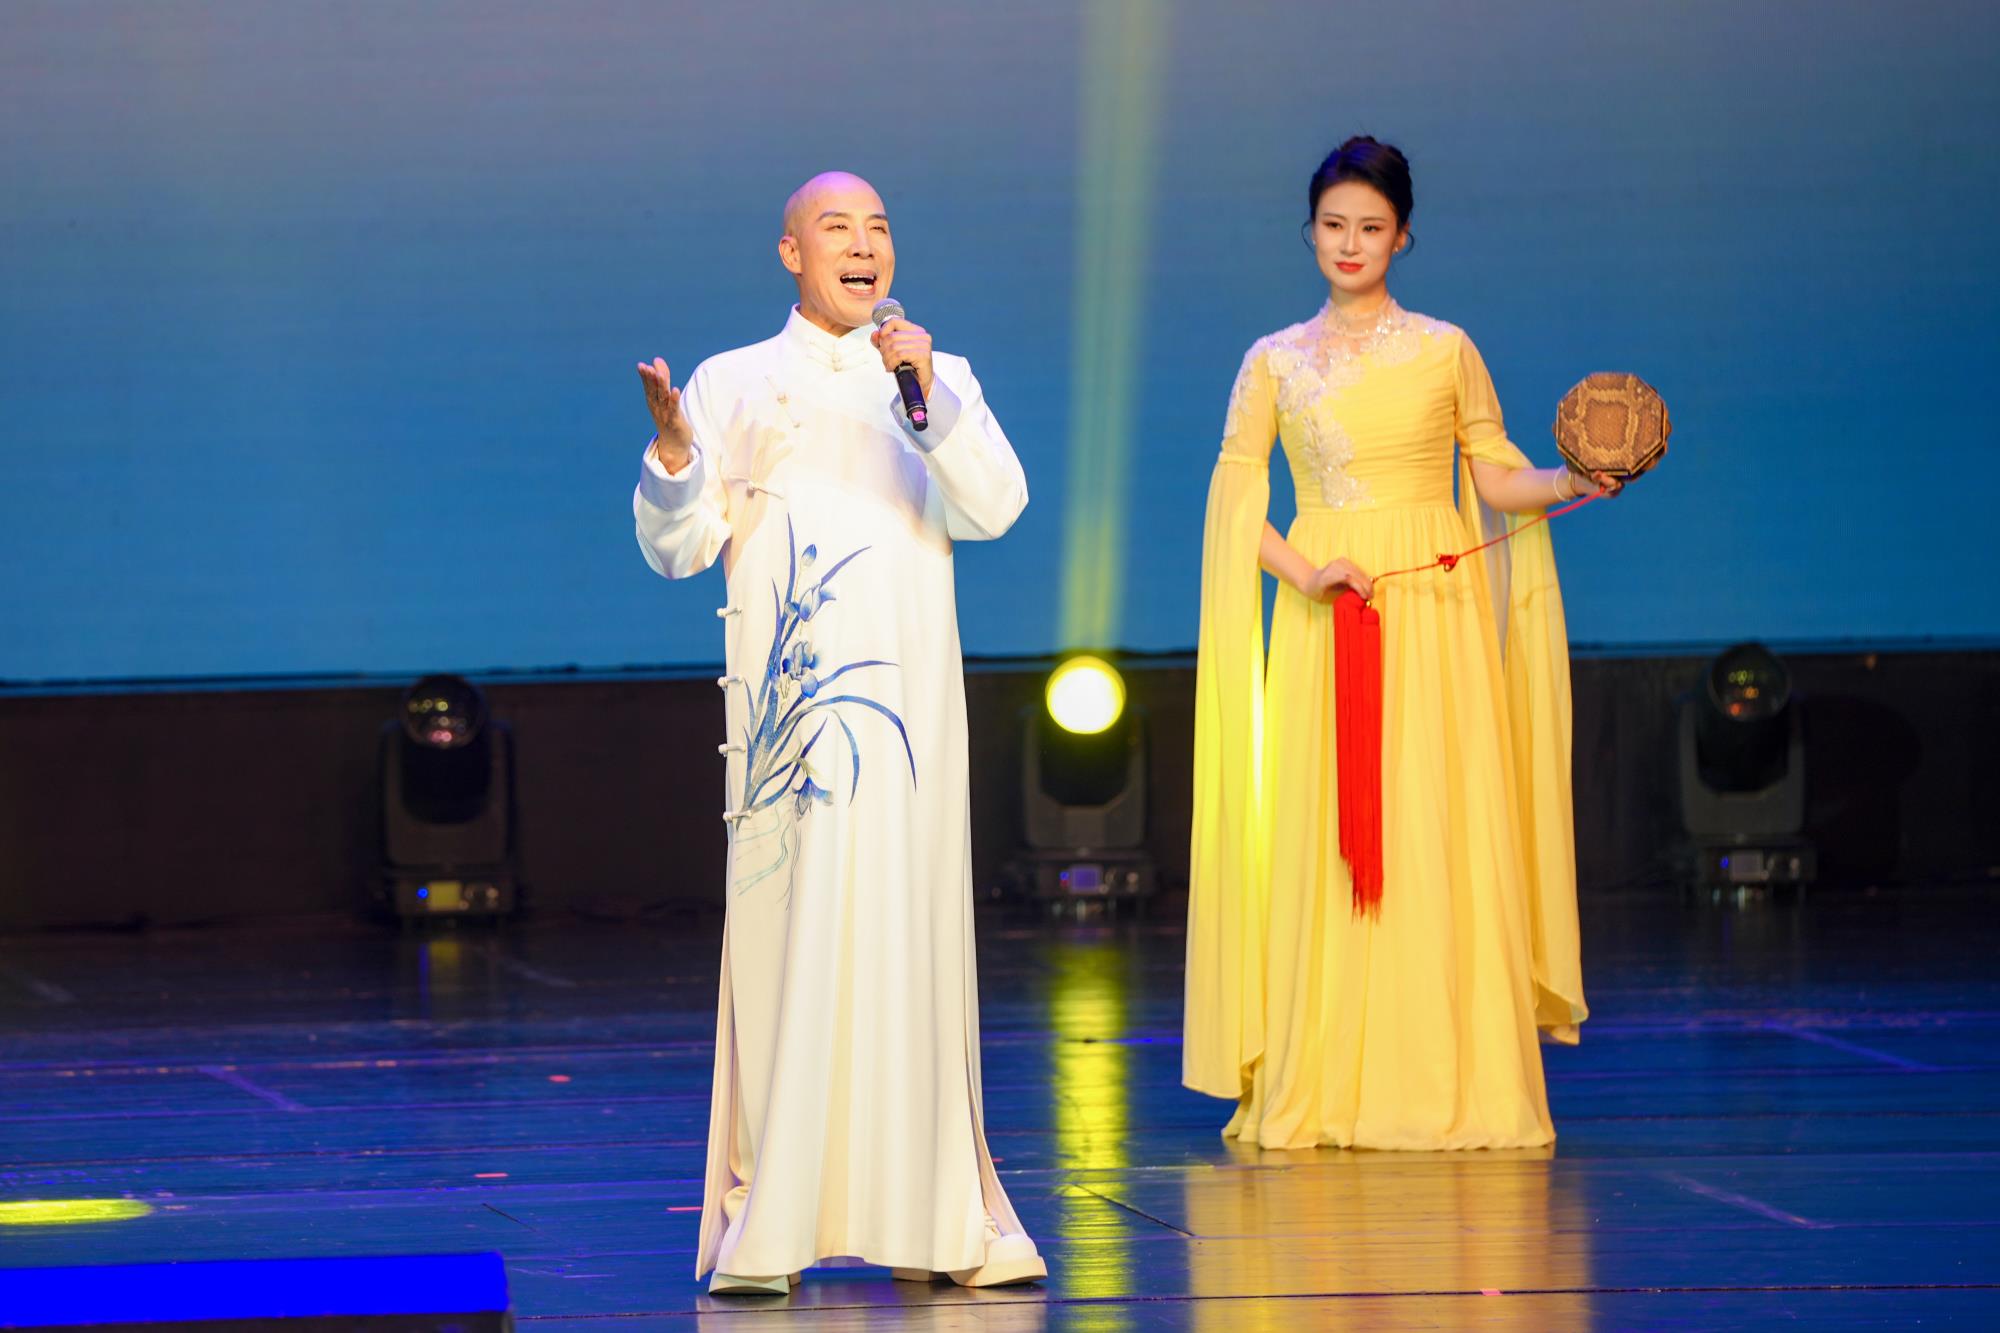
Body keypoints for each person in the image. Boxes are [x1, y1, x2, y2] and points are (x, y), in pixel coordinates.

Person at [631, 171, 1045, 1294]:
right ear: (790, 252)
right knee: (790, 945)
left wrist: (926, 392)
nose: (863, 246)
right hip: (790, 722)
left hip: (907, 717)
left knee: (907, 938)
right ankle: (770, 1221)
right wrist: (674, 455)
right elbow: (676, 549)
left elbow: (996, 507)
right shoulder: (732, 381)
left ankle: (934, 1214)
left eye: (878, 228)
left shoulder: (934, 373)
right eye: (836, 228)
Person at [1183, 137, 1614, 1152]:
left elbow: (1494, 475)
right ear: (1309, 231)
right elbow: (1234, 506)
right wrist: (1306, 574)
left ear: (1402, 236)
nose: (1349, 243)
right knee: (1325, 832)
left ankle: (1451, 1079)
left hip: (1435, 612)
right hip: (1327, 608)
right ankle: (1323, 1084)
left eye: (1370, 227)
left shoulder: (1446, 348)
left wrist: (1569, 481)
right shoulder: (1273, 360)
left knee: (1434, 820)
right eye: (1333, 224)